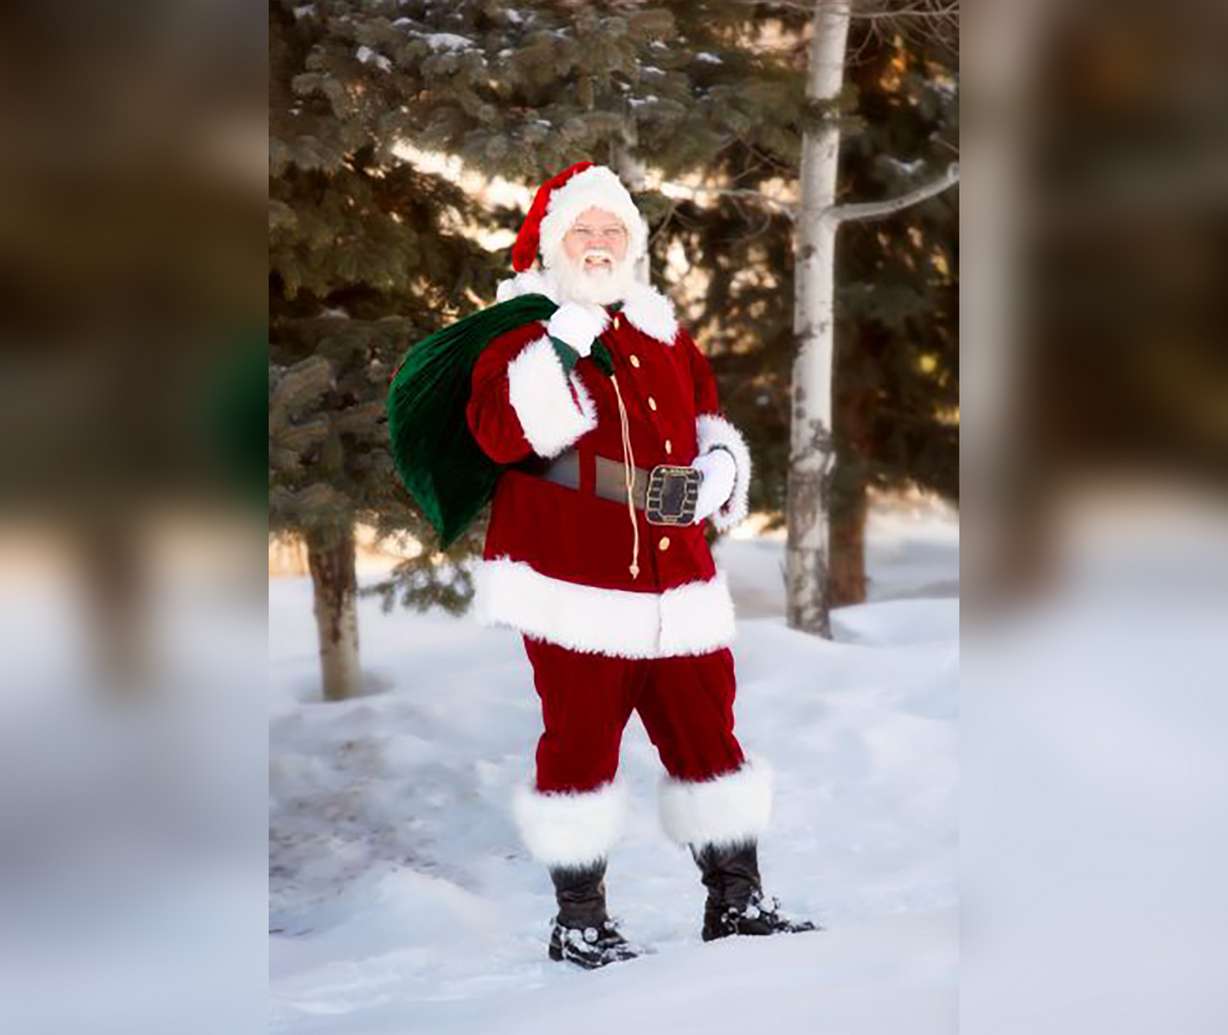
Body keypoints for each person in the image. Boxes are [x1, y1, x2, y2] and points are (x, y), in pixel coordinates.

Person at [464, 161, 816, 968]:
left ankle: (737, 900)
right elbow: (497, 436)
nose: (598, 242)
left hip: (678, 579)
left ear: (632, 242)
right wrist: (556, 347)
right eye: (582, 230)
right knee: (581, 744)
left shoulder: (664, 331)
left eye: (611, 229)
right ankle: (579, 922)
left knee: (708, 733)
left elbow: (707, 419)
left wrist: (722, 467)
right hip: (574, 581)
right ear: (555, 243)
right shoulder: (519, 330)